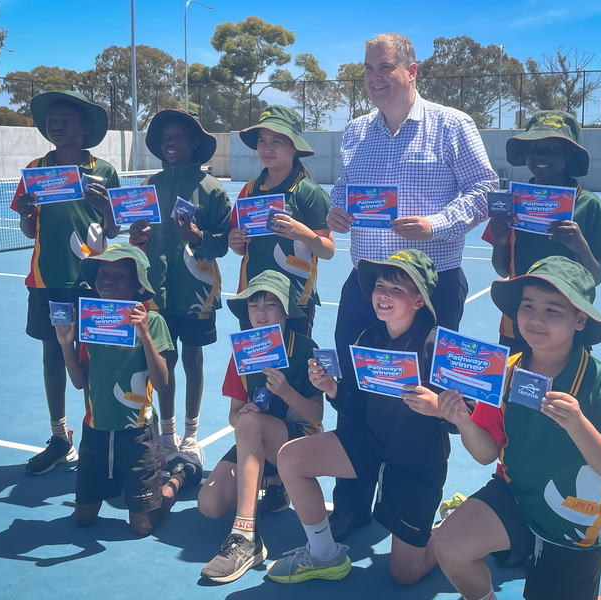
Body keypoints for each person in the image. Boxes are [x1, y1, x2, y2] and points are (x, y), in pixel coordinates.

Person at [325, 32, 497, 541]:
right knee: (356, 389)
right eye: (368, 70)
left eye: (384, 68)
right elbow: (345, 188)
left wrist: (437, 223)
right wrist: (338, 208)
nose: (375, 79)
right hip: (365, 282)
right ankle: (352, 500)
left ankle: (413, 504)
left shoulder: (451, 126)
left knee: (426, 398)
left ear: (412, 70)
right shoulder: (356, 132)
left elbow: (485, 190)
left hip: (433, 285)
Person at [432, 256, 601, 600]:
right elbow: (485, 455)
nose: (536, 319)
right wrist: (463, 421)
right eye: (528, 306)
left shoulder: (600, 385)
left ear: (580, 318)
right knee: (449, 544)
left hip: (570, 516)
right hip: (515, 494)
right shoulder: (506, 372)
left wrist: (577, 423)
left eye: (553, 309)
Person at [266, 249, 447, 586]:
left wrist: (438, 406)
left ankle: (450, 530)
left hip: (416, 463)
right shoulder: (366, 338)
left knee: (404, 574)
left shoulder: (438, 348)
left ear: (419, 301)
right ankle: (323, 553)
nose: (384, 296)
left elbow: (463, 421)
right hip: (370, 444)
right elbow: (355, 407)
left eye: (397, 289)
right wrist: (332, 389)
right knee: (290, 457)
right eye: (380, 287)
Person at [10, 90, 120, 475]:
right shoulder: (35, 170)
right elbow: (29, 229)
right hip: (45, 282)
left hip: (91, 284)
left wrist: (106, 206)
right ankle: (60, 437)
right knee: (53, 355)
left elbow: (114, 228)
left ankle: (97, 432)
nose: (55, 126)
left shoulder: (103, 171)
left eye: (64, 121)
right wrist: (25, 213)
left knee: (96, 358)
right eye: (51, 122)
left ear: (85, 128)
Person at [54, 243, 196, 535]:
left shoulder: (153, 321)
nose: (107, 279)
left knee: (142, 526)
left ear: (137, 284)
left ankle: (178, 478)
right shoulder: (90, 321)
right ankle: (125, 484)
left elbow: (162, 383)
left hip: (137, 435)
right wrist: (66, 344)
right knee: (83, 519)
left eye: (119, 275)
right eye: (102, 272)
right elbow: (80, 381)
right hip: (95, 431)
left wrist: (144, 335)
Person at [197, 271, 323, 583]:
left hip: (298, 441)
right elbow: (233, 416)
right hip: (256, 436)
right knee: (208, 504)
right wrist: (244, 415)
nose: (262, 313)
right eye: (254, 306)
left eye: (271, 305)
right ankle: (274, 482)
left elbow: (316, 417)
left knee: (252, 423)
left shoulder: (306, 349)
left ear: (285, 312)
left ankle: (244, 535)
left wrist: (286, 392)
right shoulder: (243, 352)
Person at [129, 109, 231, 469]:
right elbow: (135, 241)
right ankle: (167, 435)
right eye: (164, 137)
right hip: (154, 291)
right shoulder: (147, 187)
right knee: (164, 361)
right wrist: (136, 240)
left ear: (194, 144)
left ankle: (190, 436)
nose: (169, 142)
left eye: (177, 137)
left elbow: (224, 242)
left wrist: (197, 237)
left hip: (197, 291)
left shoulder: (212, 190)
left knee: (193, 357)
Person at [483, 110, 601, 353]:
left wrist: (580, 245)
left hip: (567, 325)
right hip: (519, 323)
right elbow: (504, 269)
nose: (541, 154)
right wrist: (499, 240)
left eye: (554, 147)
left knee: (564, 390)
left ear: (570, 154)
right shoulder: (510, 203)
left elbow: (595, 277)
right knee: (514, 388)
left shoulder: (588, 204)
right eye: (533, 148)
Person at [227, 105, 334, 336]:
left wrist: (300, 232)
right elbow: (241, 248)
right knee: (257, 367)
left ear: (294, 147)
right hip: (253, 298)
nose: (267, 148)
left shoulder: (309, 192)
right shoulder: (249, 190)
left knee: (294, 367)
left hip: (296, 299)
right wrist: (235, 243)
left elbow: (328, 250)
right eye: (262, 141)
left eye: (276, 141)